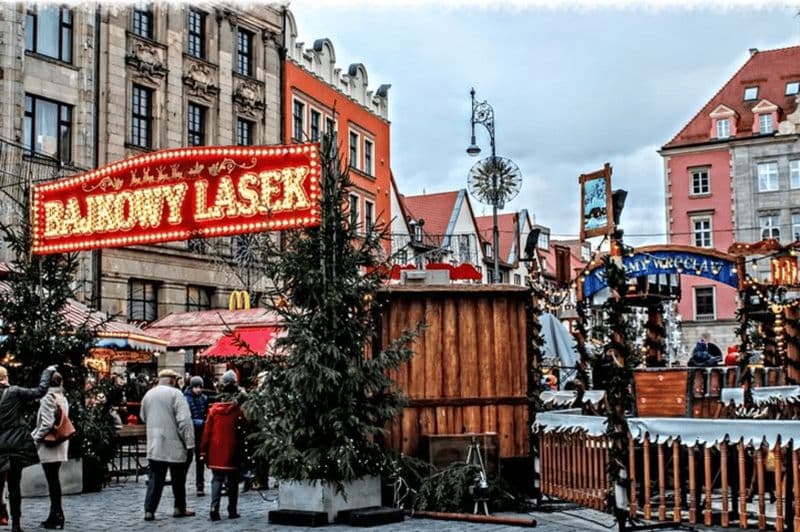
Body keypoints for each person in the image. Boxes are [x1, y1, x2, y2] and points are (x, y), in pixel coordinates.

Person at [0, 364, 57, 532]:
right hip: (16, 445)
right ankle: (16, 524)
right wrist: (48, 372)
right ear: (5, 377)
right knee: (14, 485)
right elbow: (40, 391)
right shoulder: (15, 392)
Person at [140, 369, 195, 521]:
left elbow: (143, 416)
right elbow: (184, 421)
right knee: (178, 478)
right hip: (174, 442)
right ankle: (179, 507)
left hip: (155, 443)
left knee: (155, 479)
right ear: (172, 380)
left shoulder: (149, 394)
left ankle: (149, 510)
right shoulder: (176, 394)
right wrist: (189, 442)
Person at [200, 370, 245, 521]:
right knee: (233, 481)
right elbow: (243, 429)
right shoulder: (237, 410)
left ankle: (214, 508)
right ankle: (232, 509)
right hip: (233, 448)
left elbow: (207, 432)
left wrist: (203, 451)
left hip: (216, 449)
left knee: (217, 479)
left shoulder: (213, 410)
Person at [31, 372, 69, 530]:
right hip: (60, 443)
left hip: (49, 444)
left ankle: (56, 515)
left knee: (52, 480)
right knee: (54, 479)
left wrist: (35, 438)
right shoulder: (62, 397)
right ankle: (56, 513)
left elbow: (47, 423)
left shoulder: (48, 397)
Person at [184, 376, 208, 496]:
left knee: (200, 460)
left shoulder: (204, 398)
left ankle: (200, 485)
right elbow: (187, 417)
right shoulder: (186, 399)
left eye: (200, 387)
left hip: (200, 432)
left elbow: (205, 413)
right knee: (187, 459)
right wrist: (201, 422)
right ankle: (181, 484)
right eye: (196, 387)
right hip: (190, 432)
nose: (198, 389)